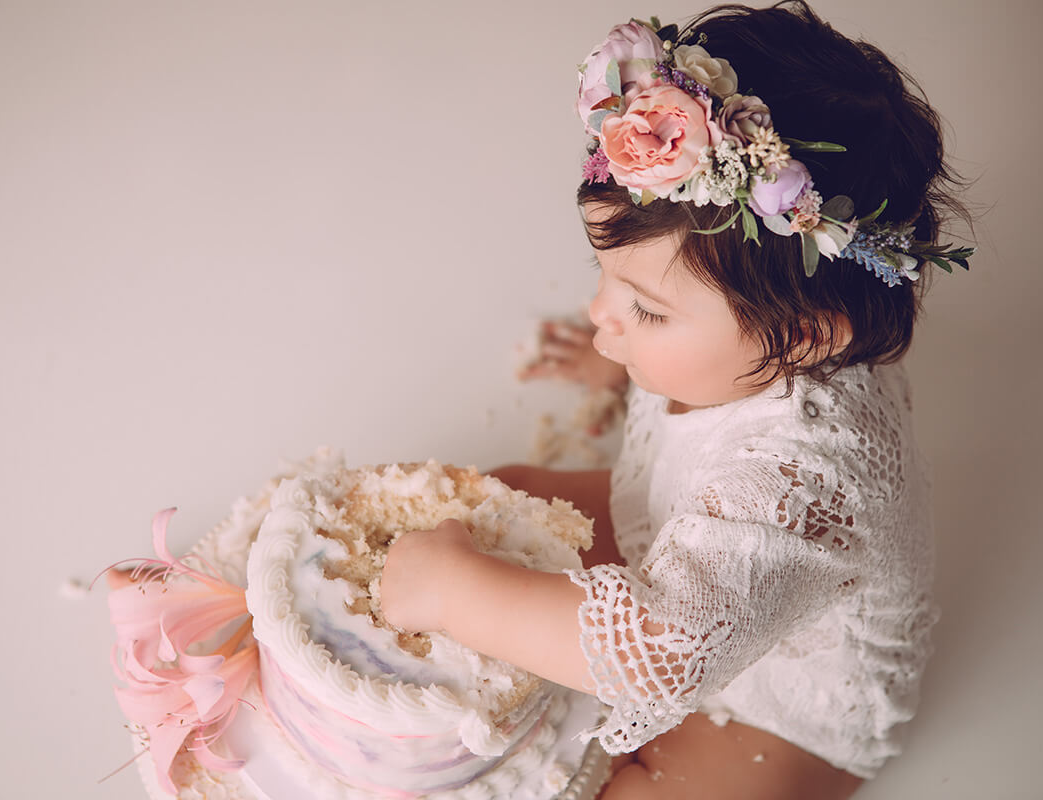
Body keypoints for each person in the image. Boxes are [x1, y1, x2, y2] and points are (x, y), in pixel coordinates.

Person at [379, 2, 973, 798]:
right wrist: (631, 362)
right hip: (685, 527)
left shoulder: (808, 479)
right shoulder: (758, 345)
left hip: (782, 710)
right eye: (607, 279)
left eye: (647, 311)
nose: (600, 316)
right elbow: (706, 381)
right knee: (500, 496)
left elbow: (663, 653)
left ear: (799, 340)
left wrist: (458, 598)